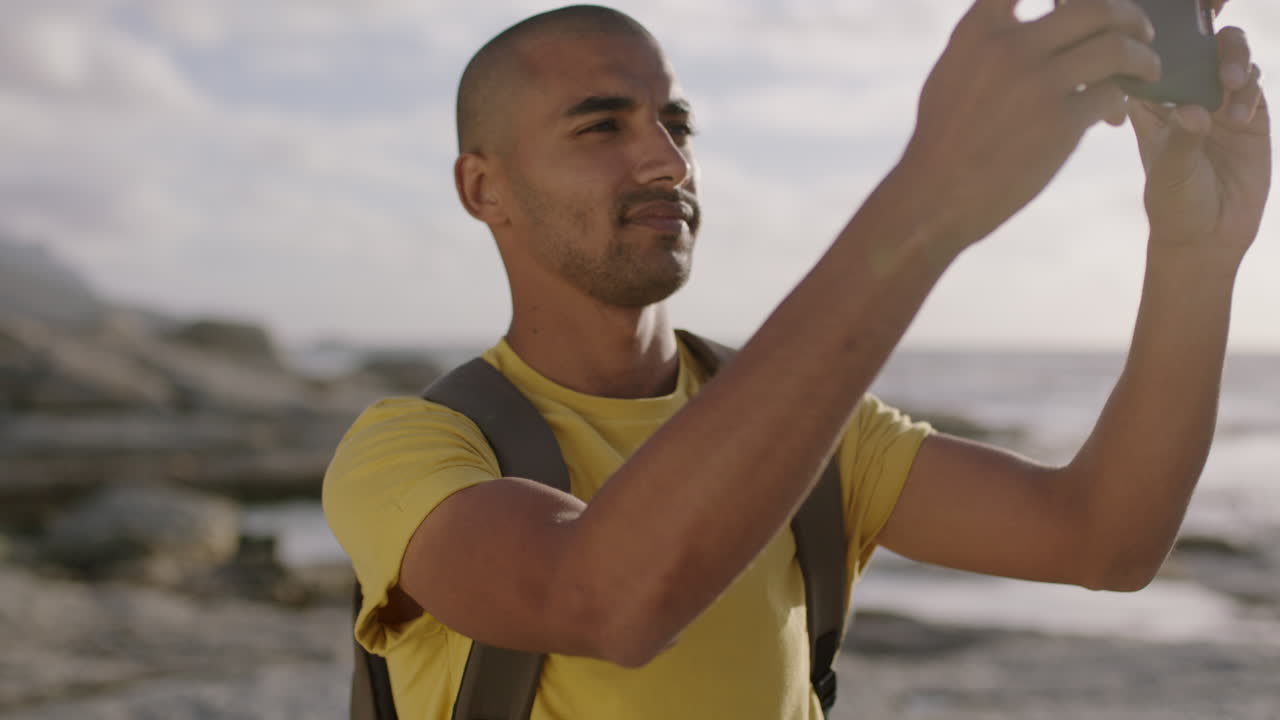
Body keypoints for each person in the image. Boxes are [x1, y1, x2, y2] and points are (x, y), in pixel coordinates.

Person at [323, 0, 1271, 717]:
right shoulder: (407, 452)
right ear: (484, 188)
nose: (667, 161)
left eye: (677, 124)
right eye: (602, 125)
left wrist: (1197, 254)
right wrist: (929, 200)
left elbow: (1103, 542)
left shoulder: (811, 432)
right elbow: (606, 598)